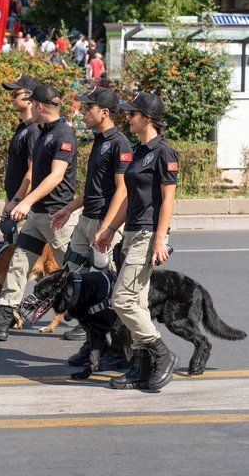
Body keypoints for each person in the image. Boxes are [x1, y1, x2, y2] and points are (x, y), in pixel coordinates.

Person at [0, 84, 78, 341]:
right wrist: (21, 200)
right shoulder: (41, 133)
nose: (29, 106)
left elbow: (56, 176)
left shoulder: (64, 134)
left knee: (73, 269)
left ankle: (92, 319)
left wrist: (26, 202)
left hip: (56, 215)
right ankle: (3, 317)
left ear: (39, 106)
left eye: (32, 102)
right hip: (37, 216)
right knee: (19, 263)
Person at [96, 91, 179, 391]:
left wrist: (160, 239)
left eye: (132, 114)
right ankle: (140, 369)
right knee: (138, 302)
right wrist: (109, 229)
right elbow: (129, 197)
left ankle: (162, 353)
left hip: (147, 233)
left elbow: (168, 199)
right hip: (130, 231)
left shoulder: (163, 153)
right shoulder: (138, 151)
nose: (127, 118)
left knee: (122, 299)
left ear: (147, 118)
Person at [50, 87, 132, 355]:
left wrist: (108, 228)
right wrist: (67, 209)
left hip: (103, 223)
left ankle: (114, 349)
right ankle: (91, 341)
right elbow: (92, 188)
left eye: (88, 108)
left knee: (104, 286)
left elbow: (122, 190)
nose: (83, 112)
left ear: (104, 112)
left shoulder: (120, 143)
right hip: (86, 219)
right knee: (75, 276)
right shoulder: (98, 140)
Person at [1, 74, 41, 222]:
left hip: (22, 206)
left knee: (20, 245)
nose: (12, 98)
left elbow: (32, 171)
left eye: (15, 94)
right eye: (11, 94)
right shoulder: (23, 128)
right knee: (10, 243)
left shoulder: (34, 130)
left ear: (29, 97)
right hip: (14, 201)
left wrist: (17, 201)